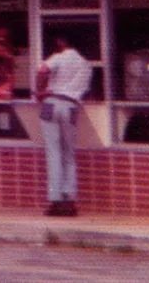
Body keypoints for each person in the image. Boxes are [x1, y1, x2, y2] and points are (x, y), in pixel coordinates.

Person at [35, 34, 92, 217]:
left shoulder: (59, 57)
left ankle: (55, 200)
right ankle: (69, 201)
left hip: (51, 103)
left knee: (53, 152)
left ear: (61, 42)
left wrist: (40, 90)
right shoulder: (86, 65)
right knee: (69, 154)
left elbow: (43, 70)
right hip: (71, 107)